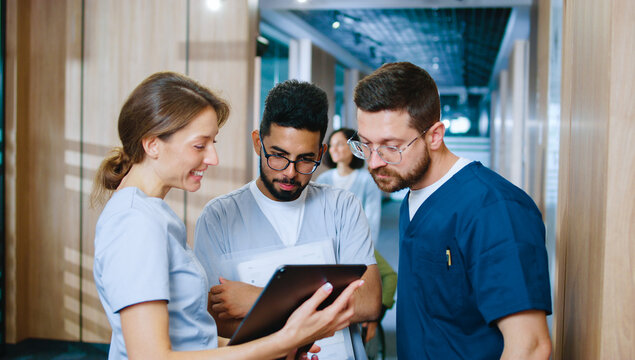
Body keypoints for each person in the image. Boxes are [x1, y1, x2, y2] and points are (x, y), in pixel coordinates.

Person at [91, 72, 364, 360]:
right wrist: (282, 341)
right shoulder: (135, 223)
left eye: (213, 144)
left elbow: (192, 340)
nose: (212, 158)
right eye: (200, 145)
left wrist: (279, 348)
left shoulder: (153, 214)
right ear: (152, 144)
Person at [352, 62, 553, 359]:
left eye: (390, 147)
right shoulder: (413, 193)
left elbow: (531, 347)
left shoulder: (495, 210)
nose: (373, 162)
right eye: (366, 145)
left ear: (434, 135)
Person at [194, 80, 382, 360]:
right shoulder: (219, 216)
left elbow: (368, 302)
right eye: (279, 156)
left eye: (306, 160)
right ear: (258, 143)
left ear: (321, 153)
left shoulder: (342, 206)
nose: (290, 173)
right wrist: (325, 311)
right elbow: (213, 319)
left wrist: (257, 299)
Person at [316, 128, 397, 350]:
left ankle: (370, 320)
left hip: (358, 244)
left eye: (341, 144)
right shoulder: (323, 179)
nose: (335, 149)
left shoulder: (365, 180)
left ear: (353, 149)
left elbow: (373, 218)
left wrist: (365, 248)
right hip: (328, 245)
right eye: (332, 145)